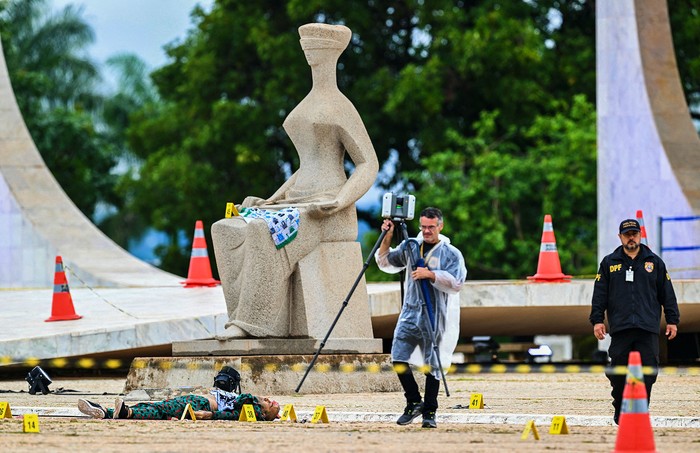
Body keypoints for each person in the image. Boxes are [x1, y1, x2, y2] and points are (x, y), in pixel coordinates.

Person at [212, 22, 378, 338]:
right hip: (295, 202)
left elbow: (368, 164)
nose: (307, 50)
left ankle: (252, 324)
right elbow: (306, 166)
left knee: (264, 231)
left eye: (313, 45)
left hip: (327, 211)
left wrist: (340, 200)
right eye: (305, 45)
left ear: (330, 52)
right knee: (226, 229)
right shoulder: (307, 102)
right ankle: (247, 316)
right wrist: (272, 199)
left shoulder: (342, 107)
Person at [375, 207, 467, 428]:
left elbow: (457, 282)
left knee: (432, 363)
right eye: (423, 226)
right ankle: (414, 400)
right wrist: (387, 235)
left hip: (435, 314)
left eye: (431, 227)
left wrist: (431, 275)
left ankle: (430, 411)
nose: (426, 231)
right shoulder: (411, 246)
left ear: (440, 226)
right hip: (410, 312)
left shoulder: (450, 253)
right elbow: (386, 261)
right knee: (398, 357)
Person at [590, 218, 680, 425]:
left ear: (640, 235)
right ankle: (620, 407)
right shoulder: (609, 263)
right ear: (620, 237)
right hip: (620, 327)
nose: (631, 237)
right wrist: (597, 320)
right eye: (627, 234)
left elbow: (667, 294)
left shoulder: (654, 262)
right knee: (618, 372)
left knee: (649, 371)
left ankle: (640, 410)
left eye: (634, 234)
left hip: (647, 326)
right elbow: (599, 294)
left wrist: (672, 320)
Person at [78, 389, 280, 421]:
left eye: (272, 405)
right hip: (198, 403)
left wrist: (257, 400)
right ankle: (107, 411)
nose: (270, 400)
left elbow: (238, 404)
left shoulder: (252, 406)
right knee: (159, 409)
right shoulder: (252, 408)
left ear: (264, 413)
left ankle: (124, 412)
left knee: (159, 409)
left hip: (199, 404)